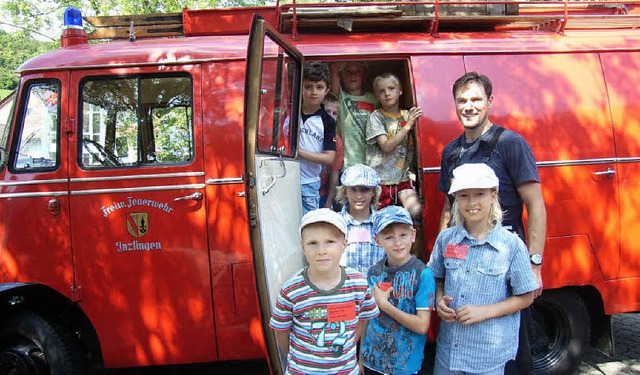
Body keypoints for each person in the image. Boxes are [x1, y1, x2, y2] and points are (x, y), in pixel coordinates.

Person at [438, 72, 547, 374]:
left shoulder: (510, 143)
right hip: (463, 257)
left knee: (512, 345)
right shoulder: (451, 151)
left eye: (476, 99)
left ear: (490, 101)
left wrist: (535, 263)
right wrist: (443, 260)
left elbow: (535, 205)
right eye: (462, 100)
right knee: (464, 331)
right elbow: (447, 209)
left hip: (504, 259)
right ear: (455, 105)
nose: (469, 106)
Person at [428, 163, 539, 375]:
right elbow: (437, 278)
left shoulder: (511, 245)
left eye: (479, 194)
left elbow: (526, 297)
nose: (472, 203)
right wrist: (439, 300)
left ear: (494, 195)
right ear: (456, 199)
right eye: (463, 196)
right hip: (449, 353)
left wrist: (484, 312)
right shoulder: (446, 239)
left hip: (488, 358)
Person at [269, 208, 380, 374]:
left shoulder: (358, 284)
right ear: (303, 247)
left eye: (330, 242)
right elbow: (281, 332)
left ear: (344, 244)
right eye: (313, 243)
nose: (321, 250)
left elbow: (362, 322)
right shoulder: (291, 290)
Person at [361, 205, 436, 375]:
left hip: (404, 366)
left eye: (403, 235)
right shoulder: (374, 272)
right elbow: (366, 318)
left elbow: (422, 325)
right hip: (371, 361)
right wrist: (360, 355)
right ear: (377, 240)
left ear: (413, 236)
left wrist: (385, 306)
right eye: (389, 237)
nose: (398, 242)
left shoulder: (423, 274)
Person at [365, 72, 423, 219]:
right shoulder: (376, 117)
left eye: (391, 88)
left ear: (400, 91)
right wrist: (408, 125)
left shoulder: (407, 115)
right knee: (380, 219)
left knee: (415, 211)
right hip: (381, 180)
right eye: (382, 91)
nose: (387, 94)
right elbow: (386, 146)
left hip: (403, 177)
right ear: (376, 95)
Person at [299, 61, 337, 215]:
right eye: (308, 87)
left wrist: (298, 152)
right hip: (284, 178)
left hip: (309, 182)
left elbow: (329, 158)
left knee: (308, 224)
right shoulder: (289, 112)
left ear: (327, 89)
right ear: (300, 87)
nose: (313, 92)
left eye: (319, 87)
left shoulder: (327, 121)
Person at [337, 164, 385, 276]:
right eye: (353, 190)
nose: (359, 196)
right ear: (345, 192)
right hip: (345, 290)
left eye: (365, 190)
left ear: (374, 192)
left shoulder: (383, 224)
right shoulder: (335, 224)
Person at [330, 61, 377, 169]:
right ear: (341, 76)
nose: (353, 75)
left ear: (364, 75)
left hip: (371, 162)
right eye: (348, 72)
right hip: (348, 163)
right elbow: (333, 68)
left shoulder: (374, 98)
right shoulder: (340, 97)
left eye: (358, 71)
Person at [319, 93, 345, 211]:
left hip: (322, 193)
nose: (330, 116)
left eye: (334, 113)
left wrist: (329, 203)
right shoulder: (309, 132)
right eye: (327, 111)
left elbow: (334, 175)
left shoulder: (337, 141)